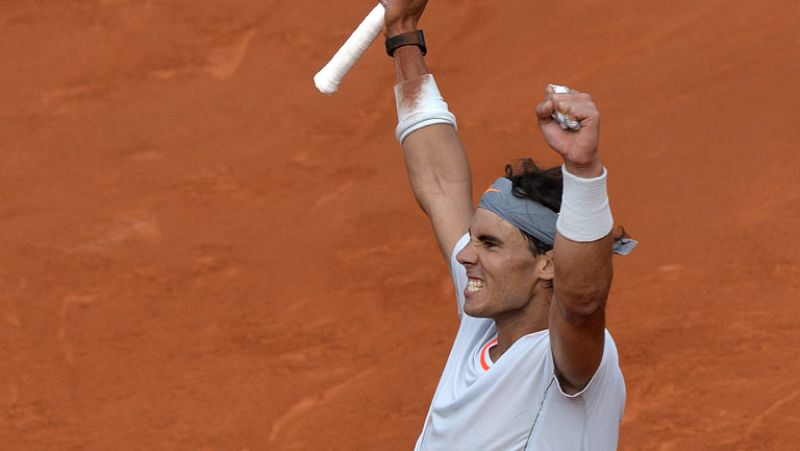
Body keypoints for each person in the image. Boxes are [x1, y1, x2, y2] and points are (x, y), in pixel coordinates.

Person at [379, 1, 637, 449]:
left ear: (548, 265)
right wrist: (403, 31)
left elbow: (583, 300)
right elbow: (439, 182)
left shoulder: (565, 362)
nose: (464, 254)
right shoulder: (486, 311)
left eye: (489, 244)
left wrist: (583, 170)